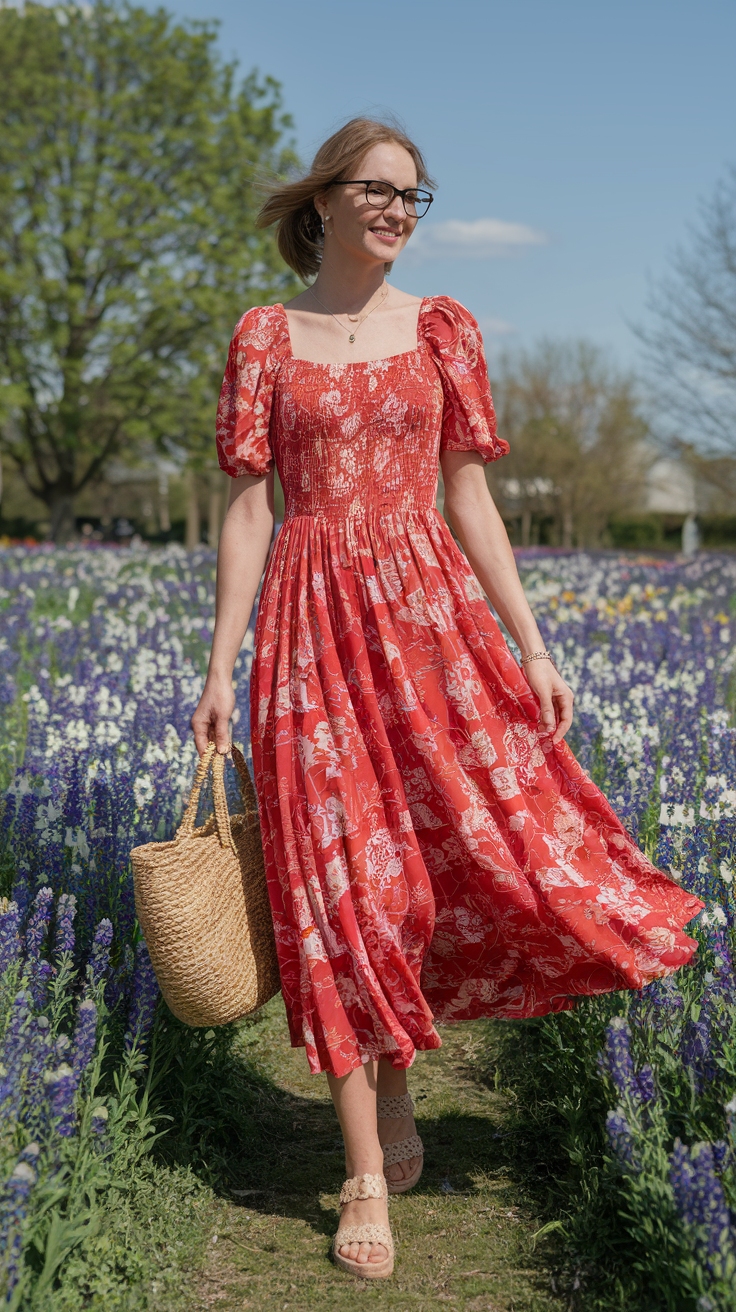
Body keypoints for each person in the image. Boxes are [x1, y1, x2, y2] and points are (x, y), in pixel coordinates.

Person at [191, 117, 703, 1280]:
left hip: (427, 629)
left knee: (418, 867)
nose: (396, 212)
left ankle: (402, 1075)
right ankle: (363, 1164)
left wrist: (532, 644)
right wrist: (219, 665)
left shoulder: (443, 330)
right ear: (323, 200)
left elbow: (470, 498)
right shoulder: (265, 336)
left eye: (414, 199)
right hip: (310, 633)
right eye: (378, 191)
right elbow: (247, 510)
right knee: (336, 880)